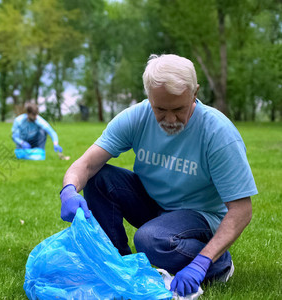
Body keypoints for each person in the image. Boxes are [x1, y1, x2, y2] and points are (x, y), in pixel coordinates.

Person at [59, 54, 257, 297]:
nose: (170, 119)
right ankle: (119, 266)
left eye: (179, 109)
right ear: (149, 96)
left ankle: (219, 264)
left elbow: (241, 209)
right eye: (160, 109)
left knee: (150, 240)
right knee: (100, 179)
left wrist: (200, 262)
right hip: (155, 204)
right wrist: (68, 190)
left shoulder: (218, 133)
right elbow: (86, 164)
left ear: (195, 93)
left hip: (201, 215)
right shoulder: (136, 117)